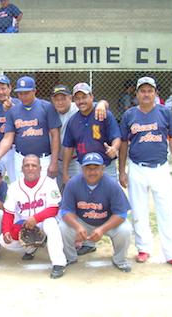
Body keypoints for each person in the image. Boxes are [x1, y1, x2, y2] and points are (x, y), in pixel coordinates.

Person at [119, 76, 172, 269]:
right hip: (137, 168)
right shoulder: (129, 115)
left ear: (155, 93)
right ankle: (143, 248)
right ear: (137, 94)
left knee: (165, 211)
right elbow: (123, 143)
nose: (146, 94)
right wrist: (122, 171)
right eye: (142, 90)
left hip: (160, 168)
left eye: (150, 90)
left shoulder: (165, 113)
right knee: (139, 211)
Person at [51, 84, 108, 257]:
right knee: (56, 199)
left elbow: (100, 104)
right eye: (57, 98)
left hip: (75, 161)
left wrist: (102, 104)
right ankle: (58, 234)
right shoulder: (49, 110)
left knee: (80, 199)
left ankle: (86, 240)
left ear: (71, 99)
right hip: (55, 161)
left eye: (64, 97)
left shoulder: (78, 107)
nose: (60, 101)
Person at [59, 152, 132, 273]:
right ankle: (70, 257)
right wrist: (77, 227)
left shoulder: (111, 185)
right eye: (88, 168)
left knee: (125, 229)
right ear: (82, 168)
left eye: (96, 168)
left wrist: (102, 229)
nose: (92, 172)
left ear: (103, 168)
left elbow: (121, 214)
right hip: (83, 221)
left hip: (106, 222)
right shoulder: (73, 183)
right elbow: (66, 211)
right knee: (63, 226)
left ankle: (120, 260)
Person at [0, 154, 67, 279]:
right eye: (27, 165)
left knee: (51, 224)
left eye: (34, 165)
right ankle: (30, 249)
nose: (30, 168)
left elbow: (54, 208)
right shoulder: (14, 186)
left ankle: (59, 263)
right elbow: (8, 212)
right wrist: (6, 231)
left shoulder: (49, 183)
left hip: (44, 222)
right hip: (24, 225)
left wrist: (36, 218)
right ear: (22, 168)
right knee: (3, 241)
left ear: (40, 168)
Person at [0, 76, 61, 180]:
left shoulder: (47, 107)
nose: (23, 96)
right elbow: (8, 137)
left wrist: (54, 162)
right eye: (20, 93)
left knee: (46, 192)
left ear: (34, 91)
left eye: (26, 93)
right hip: (21, 158)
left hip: (44, 158)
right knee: (22, 192)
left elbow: (55, 136)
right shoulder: (13, 111)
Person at [62, 82, 121, 183]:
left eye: (84, 97)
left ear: (91, 97)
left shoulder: (103, 113)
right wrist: (65, 171)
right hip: (84, 168)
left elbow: (116, 136)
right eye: (77, 98)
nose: (81, 101)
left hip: (106, 166)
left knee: (110, 196)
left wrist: (114, 148)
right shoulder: (72, 121)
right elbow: (68, 147)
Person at [0, 75, 20, 183]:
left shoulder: (19, 104)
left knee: (16, 181)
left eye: (3, 88)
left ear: (10, 88)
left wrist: (12, 109)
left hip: (14, 149)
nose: (0, 92)